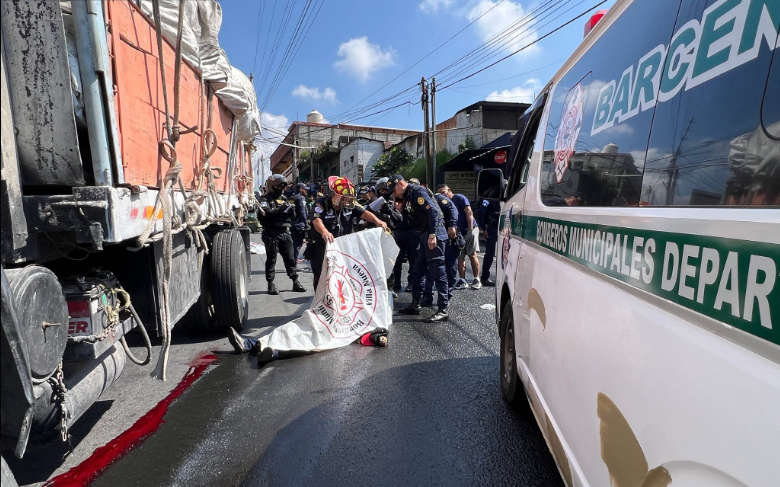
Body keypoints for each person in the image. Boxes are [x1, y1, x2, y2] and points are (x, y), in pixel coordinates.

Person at [308, 176, 389, 289]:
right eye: (342, 198)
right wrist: (324, 232)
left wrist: (378, 221)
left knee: (344, 276)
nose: (345, 201)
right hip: (323, 247)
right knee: (322, 277)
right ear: (333, 194)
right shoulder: (321, 203)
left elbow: (364, 213)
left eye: (348, 198)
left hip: (343, 247)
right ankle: (322, 303)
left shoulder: (349, 204)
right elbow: (316, 220)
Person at [388, 175, 449, 323]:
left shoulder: (416, 191)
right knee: (417, 269)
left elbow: (433, 212)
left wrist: (433, 234)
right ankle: (415, 304)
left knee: (437, 270)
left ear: (401, 184)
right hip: (424, 233)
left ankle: (443, 309)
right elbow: (414, 219)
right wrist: (401, 210)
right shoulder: (408, 196)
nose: (393, 193)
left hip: (433, 232)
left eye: (394, 189)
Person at [227, 327, 389, 366]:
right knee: (289, 331)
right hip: (323, 325)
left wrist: (378, 339)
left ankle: (271, 354)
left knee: (303, 346)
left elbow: (376, 333)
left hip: (331, 339)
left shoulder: (369, 324)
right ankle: (249, 344)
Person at [257, 175, 307, 295]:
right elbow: (267, 213)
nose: (281, 189)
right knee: (271, 259)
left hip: (285, 232)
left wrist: (291, 211)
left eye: (283, 186)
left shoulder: (285, 198)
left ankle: (295, 281)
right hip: (271, 233)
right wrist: (281, 210)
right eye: (279, 186)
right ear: (272, 186)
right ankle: (270, 284)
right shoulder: (265, 200)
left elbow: (293, 216)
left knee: (290, 259)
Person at [421, 190, 462, 306]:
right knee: (430, 268)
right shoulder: (421, 203)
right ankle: (427, 296)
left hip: (449, 237)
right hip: (435, 237)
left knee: (450, 268)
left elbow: (453, 209)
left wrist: (452, 225)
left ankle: (446, 296)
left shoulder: (438, 198)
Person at [438, 184, 481, 290]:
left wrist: (470, 230)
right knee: (459, 256)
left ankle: (476, 279)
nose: (442, 195)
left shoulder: (459, 198)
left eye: (444, 192)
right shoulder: (443, 204)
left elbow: (469, 212)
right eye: (440, 193)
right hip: (458, 233)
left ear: (449, 190)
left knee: (472, 254)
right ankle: (462, 280)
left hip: (470, 229)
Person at [476, 198, 501, 286]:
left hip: (504, 228)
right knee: (490, 254)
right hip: (492, 228)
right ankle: (484, 277)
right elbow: (481, 213)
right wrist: (484, 228)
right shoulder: (489, 199)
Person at [291, 183, 309, 263]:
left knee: (294, 244)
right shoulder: (301, 198)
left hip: (292, 224)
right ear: (301, 189)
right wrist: (306, 223)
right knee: (298, 245)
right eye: (305, 189)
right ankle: (294, 263)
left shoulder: (292, 198)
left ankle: (292, 262)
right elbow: (302, 212)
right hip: (299, 224)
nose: (306, 191)